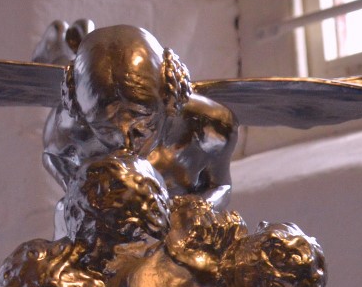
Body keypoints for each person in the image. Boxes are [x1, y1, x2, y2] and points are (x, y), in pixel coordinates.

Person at [42, 25, 237, 237]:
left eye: (142, 119)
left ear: (169, 98)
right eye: (105, 129)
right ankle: (56, 47)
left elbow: (221, 186)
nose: (125, 141)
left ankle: (70, 41)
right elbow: (52, 158)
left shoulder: (209, 127)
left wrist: (195, 209)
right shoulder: (69, 125)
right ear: (81, 114)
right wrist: (81, 194)